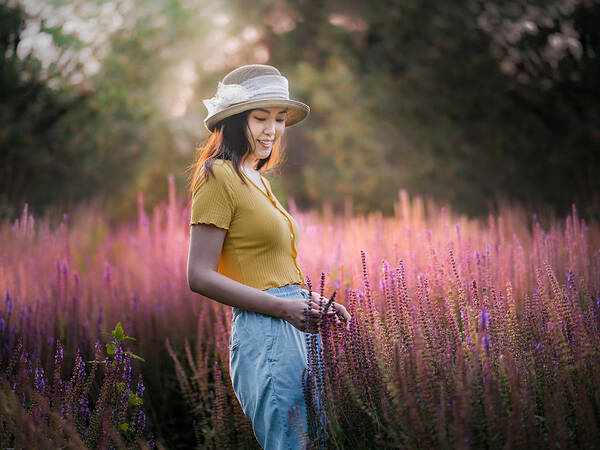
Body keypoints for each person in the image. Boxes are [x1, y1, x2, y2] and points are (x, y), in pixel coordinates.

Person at [186, 64, 351, 449]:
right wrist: (283, 308)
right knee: (290, 443)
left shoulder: (256, 178)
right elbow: (199, 275)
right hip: (267, 333)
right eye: (260, 118)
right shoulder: (218, 176)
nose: (272, 130)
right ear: (233, 121)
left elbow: (267, 267)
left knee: (314, 443)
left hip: (295, 326)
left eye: (279, 120)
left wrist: (309, 301)